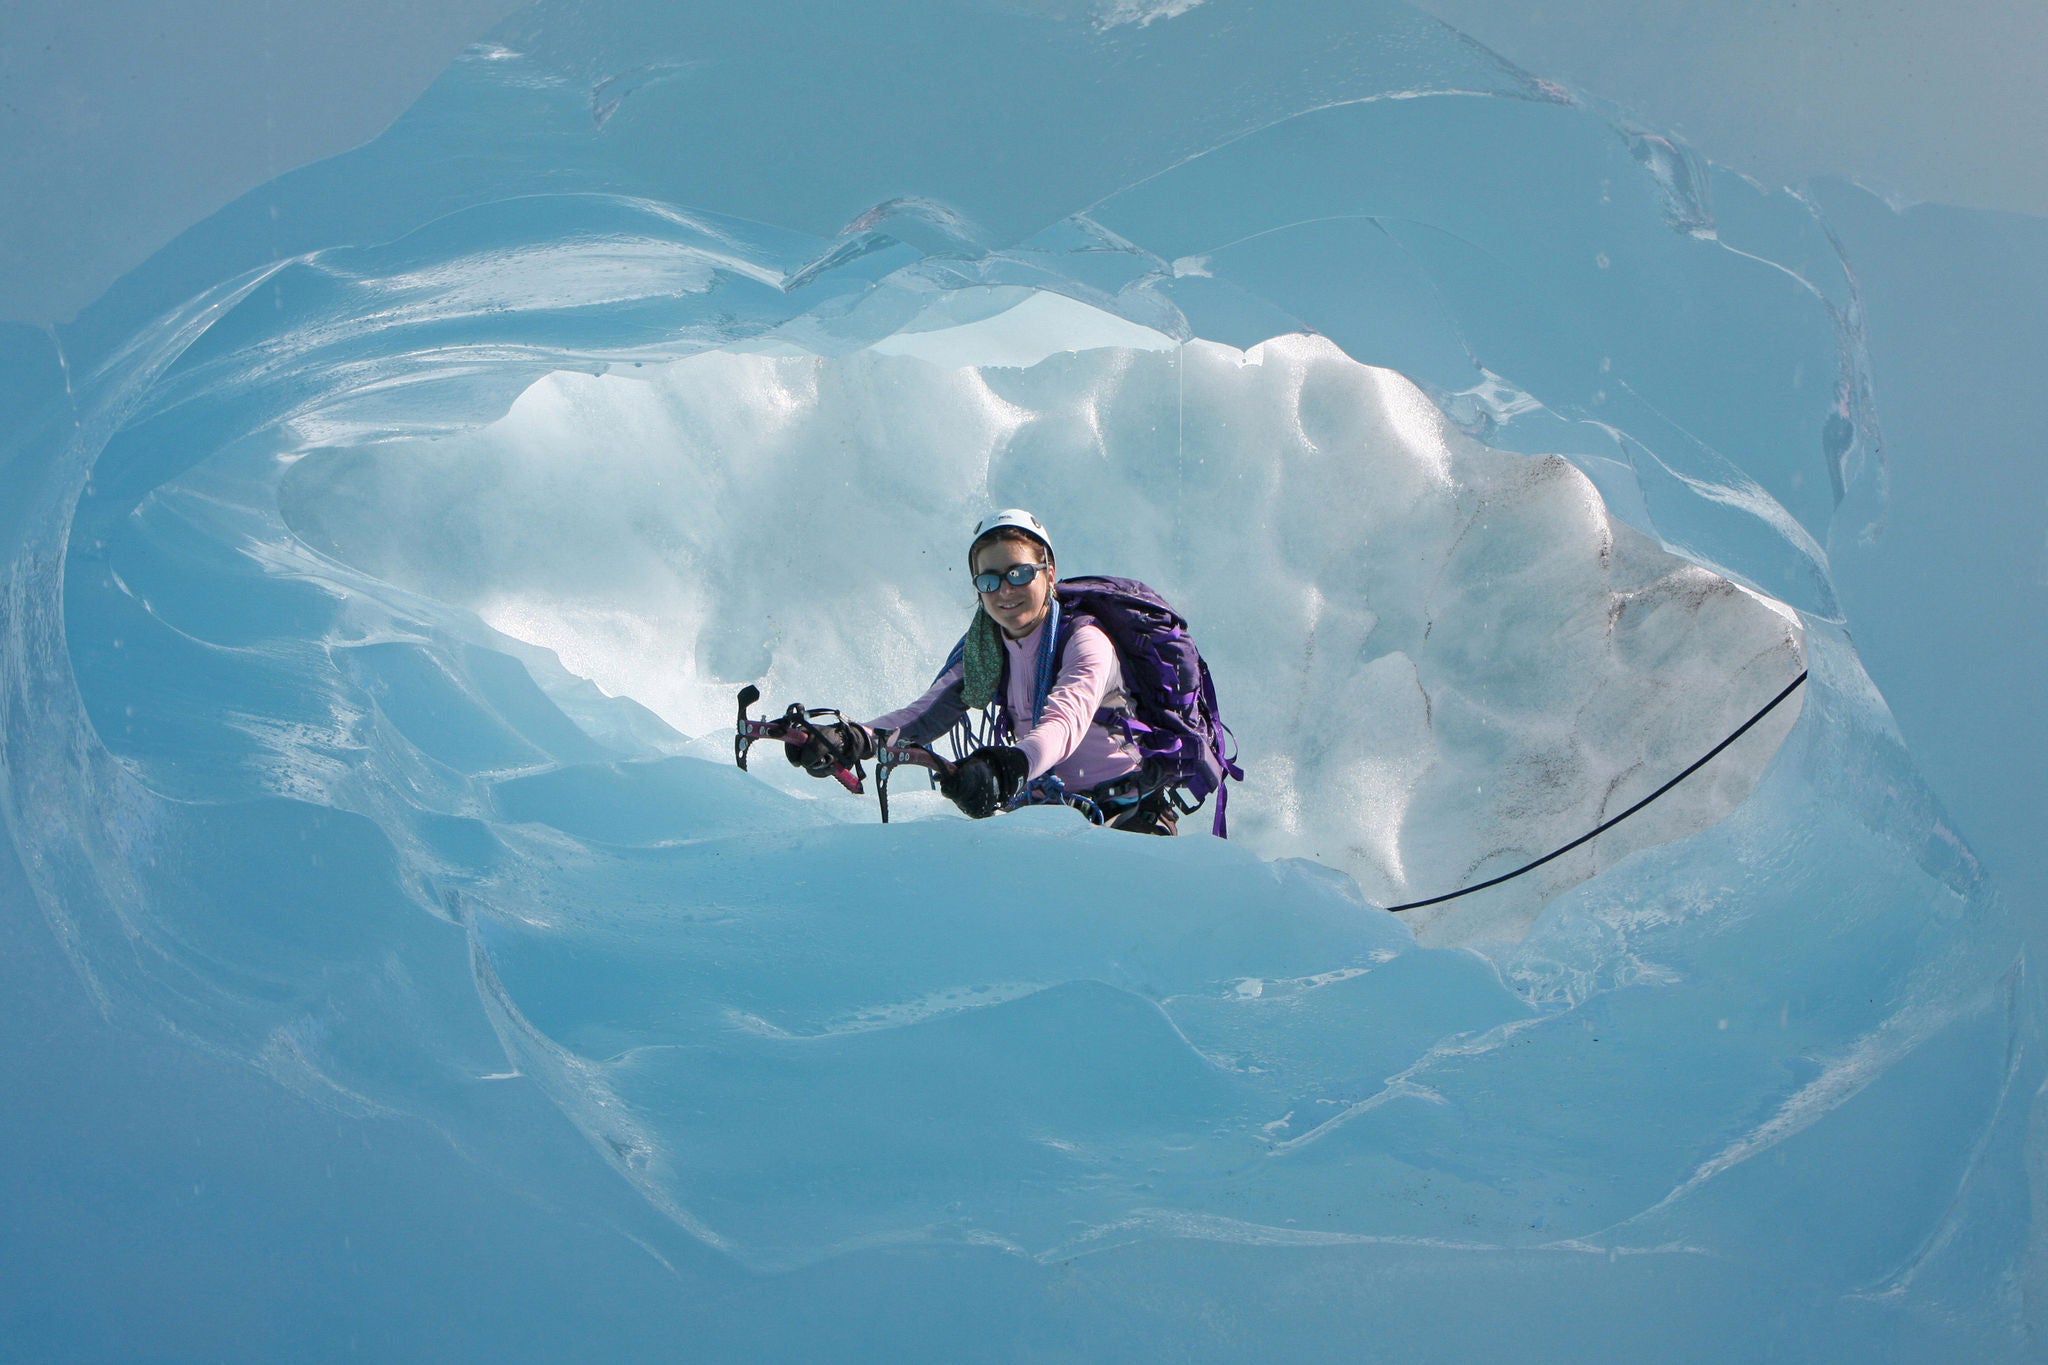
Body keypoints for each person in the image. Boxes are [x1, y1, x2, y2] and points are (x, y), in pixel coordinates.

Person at [785, 509, 1181, 834]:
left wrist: (1007, 768)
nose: (1005, 590)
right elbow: (925, 715)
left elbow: (1064, 723)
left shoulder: (1085, 641)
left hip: (1127, 814)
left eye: (1019, 573)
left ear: (1049, 573)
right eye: (989, 580)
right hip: (1045, 814)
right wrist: (852, 737)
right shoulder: (985, 649)